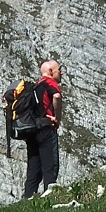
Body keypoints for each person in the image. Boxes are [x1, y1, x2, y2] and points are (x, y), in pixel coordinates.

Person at [22, 60, 63, 199]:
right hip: (46, 129)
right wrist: (57, 118)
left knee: (33, 170)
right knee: (50, 167)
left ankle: (27, 200)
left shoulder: (34, 87)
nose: (61, 72)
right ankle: (49, 199)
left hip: (32, 132)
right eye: (59, 70)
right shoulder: (49, 82)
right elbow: (56, 96)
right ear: (51, 71)